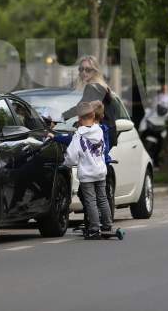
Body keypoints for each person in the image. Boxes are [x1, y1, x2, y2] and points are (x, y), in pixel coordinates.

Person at [62, 101, 112, 239]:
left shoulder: (79, 135)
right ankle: (107, 225)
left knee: (91, 201)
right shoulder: (100, 131)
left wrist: (67, 163)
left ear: (79, 119)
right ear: (94, 115)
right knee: (103, 199)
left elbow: (71, 156)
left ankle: (95, 229)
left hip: (87, 174)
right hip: (101, 171)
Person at [63, 55, 118, 148]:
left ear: (95, 71)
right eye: (81, 69)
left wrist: (61, 117)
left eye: (88, 70)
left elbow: (81, 108)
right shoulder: (102, 86)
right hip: (106, 134)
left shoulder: (93, 87)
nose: (84, 72)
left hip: (100, 136)